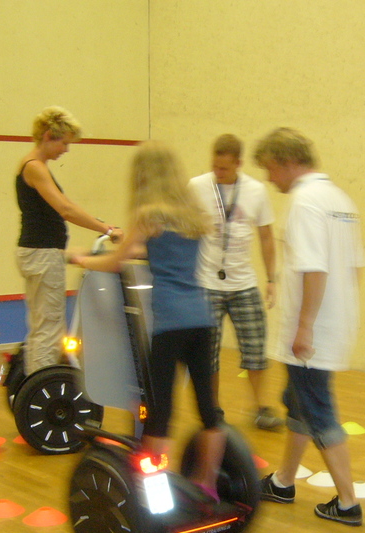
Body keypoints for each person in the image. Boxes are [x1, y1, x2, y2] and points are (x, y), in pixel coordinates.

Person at [70, 142, 225, 499]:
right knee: (209, 411)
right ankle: (207, 486)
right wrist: (138, 248)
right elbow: (156, 249)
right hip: (202, 321)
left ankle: (154, 496)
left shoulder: (147, 215)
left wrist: (81, 260)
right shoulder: (192, 214)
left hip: (170, 325)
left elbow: (116, 263)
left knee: (159, 413)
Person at [252, 128, 365, 526]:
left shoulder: (305, 202)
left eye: (270, 169)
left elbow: (314, 269)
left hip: (312, 331)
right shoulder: (340, 200)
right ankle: (284, 481)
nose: (269, 179)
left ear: (287, 162)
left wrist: (305, 327)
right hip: (332, 324)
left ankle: (348, 503)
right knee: (297, 400)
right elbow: (355, 268)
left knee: (318, 411)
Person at [15, 106, 121, 376]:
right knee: (49, 330)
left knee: (43, 328)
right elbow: (66, 209)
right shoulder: (35, 167)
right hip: (42, 255)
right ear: (48, 136)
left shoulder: (33, 166)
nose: (66, 150)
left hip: (39, 253)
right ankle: (42, 386)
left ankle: (34, 384)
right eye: (64, 143)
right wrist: (107, 229)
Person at [189, 134, 282, 431]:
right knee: (207, 354)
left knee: (255, 348)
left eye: (225, 168)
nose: (218, 172)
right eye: (215, 166)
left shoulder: (256, 191)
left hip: (244, 285)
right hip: (206, 284)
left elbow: (266, 237)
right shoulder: (196, 187)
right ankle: (213, 410)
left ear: (239, 164)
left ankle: (262, 408)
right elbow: (183, 229)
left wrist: (271, 279)